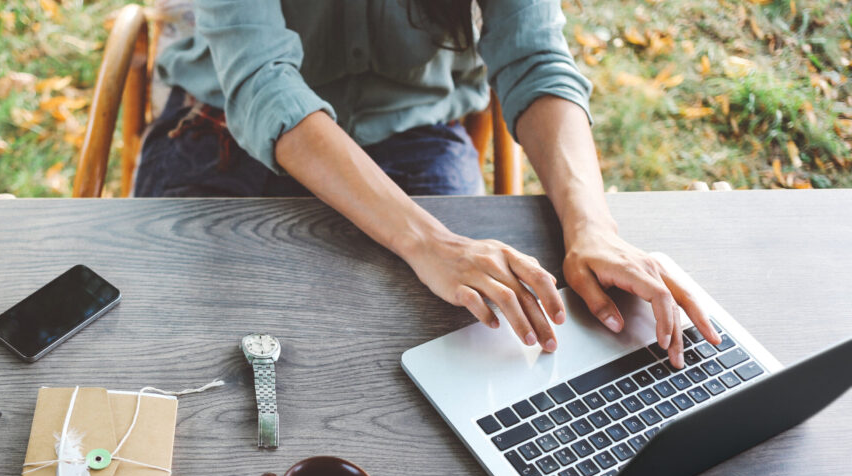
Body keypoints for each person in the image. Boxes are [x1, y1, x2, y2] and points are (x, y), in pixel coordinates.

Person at [134, 0, 720, 366]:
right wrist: (430, 243)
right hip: (222, 132)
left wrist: (593, 227)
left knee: (473, 343)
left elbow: (535, 58)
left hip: (414, 134)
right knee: (172, 340)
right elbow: (262, 81)